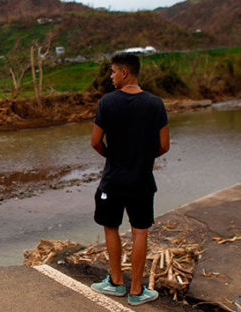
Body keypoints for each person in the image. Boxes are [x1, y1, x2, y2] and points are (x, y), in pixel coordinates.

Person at [89, 53, 170, 306]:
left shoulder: (107, 103)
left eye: (113, 72)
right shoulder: (155, 104)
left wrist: (112, 156)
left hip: (113, 180)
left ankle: (115, 282)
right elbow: (164, 146)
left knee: (111, 227)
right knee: (140, 232)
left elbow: (95, 142)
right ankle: (136, 291)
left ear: (125, 72)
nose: (111, 76)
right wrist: (143, 157)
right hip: (142, 181)